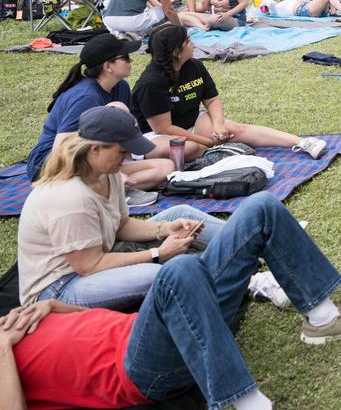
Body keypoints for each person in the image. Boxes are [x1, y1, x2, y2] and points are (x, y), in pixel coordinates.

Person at [3, 190, 341, 410]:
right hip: (142, 369)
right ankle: (251, 404)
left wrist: (53, 307)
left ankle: (322, 318)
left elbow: (88, 323)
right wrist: (4, 349)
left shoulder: (17, 321)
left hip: (157, 326)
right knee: (179, 272)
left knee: (261, 208)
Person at [17, 105, 223, 311]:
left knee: (181, 213)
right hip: (59, 288)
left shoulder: (108, 173)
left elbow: (121, 225)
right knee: (158, 274)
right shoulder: (71, 197)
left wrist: (166, 228)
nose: (126, 157)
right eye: (122, 151)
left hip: (93, 260)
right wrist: (158, 253)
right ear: (95, 149)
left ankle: (243, 245)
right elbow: (90, 265)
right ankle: (224, 279)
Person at [131, 25, 327, 161]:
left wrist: (217, 125)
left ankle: (302, 142)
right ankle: (213, 151)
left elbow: (212, 98)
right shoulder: (152, 83)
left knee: (235, 129)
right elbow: (165, 128)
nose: (193, 44)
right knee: (189, 147)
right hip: (153, 136)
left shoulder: (193, 66)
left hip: (191, 123)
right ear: (176, 51)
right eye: (188, 41)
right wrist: (206, 140)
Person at [24, 34, 173, 195]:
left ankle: (110, 189)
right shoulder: (85, 97)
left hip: (98, 159)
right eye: (126, 57)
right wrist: (114, 173)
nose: (131, 61)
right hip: (53, 166)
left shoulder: (120, 87)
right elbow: (62, 149)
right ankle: (110, 189)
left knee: (167, 167)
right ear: (108, 66)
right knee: (117, 108)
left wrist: (115, 168)